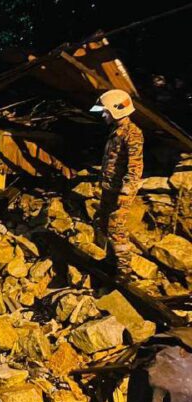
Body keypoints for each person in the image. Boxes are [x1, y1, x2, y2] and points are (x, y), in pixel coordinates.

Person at [90, 89, 144, 279]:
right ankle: (110, 262)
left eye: (106, 111)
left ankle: (124, 271)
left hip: (122, 192)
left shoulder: (133, 134)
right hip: (110, 188)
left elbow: (135, 167)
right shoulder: (116, 131)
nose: (104, 115)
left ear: (117, 110)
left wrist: (126, 192)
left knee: (116, 229)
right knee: (104, 223)